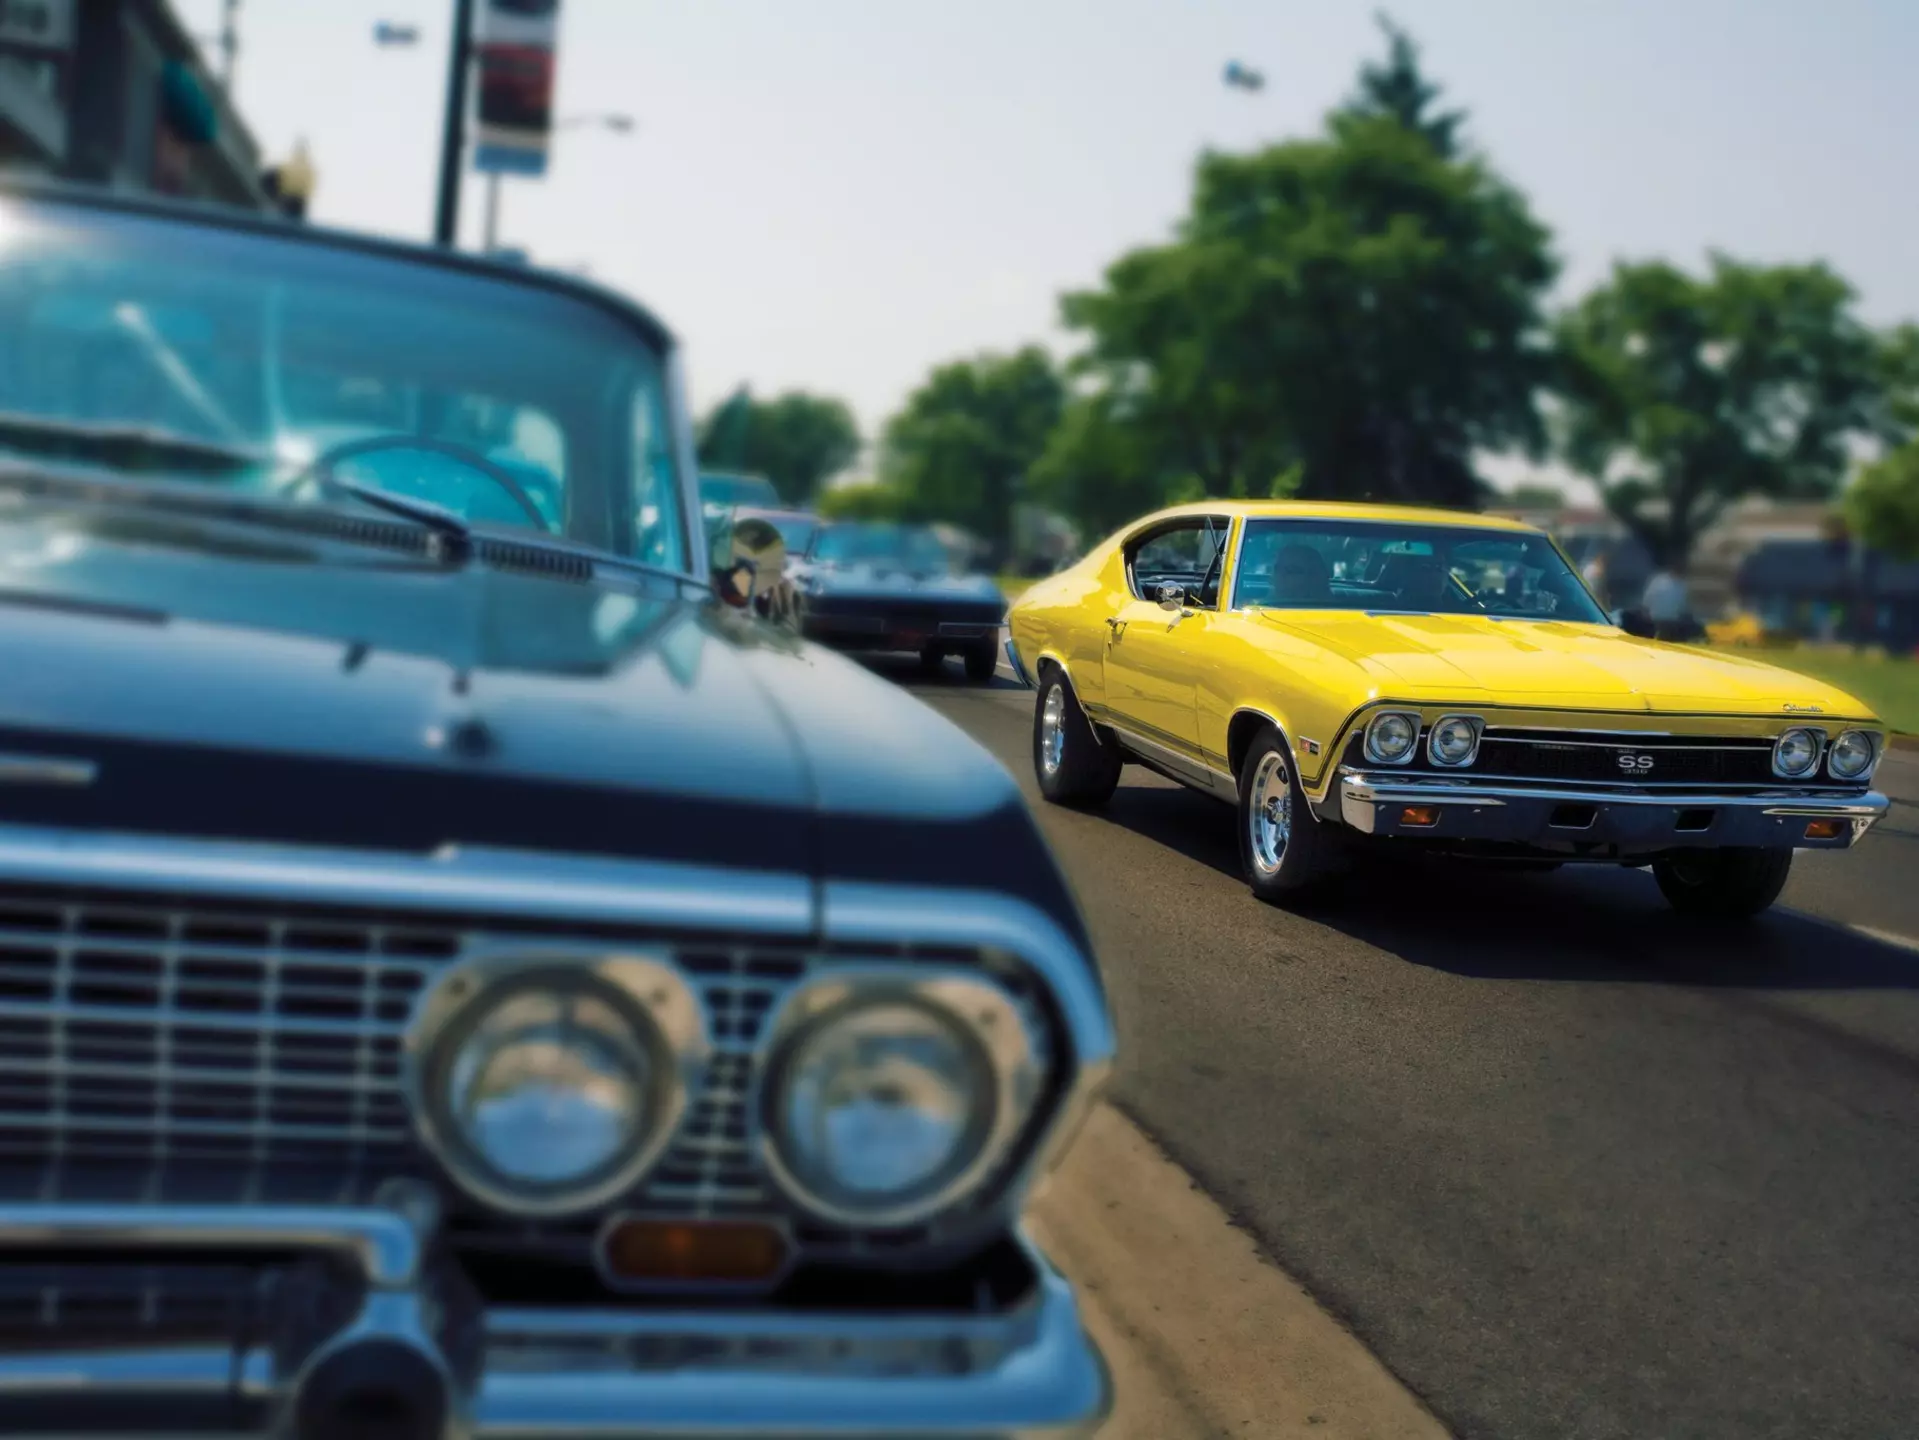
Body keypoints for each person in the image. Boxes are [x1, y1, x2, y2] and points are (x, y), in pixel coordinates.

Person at [1643, 566, 1689, 640]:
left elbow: (1684, 604)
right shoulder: (1659, 580)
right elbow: (1648, 597)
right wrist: (1646, 611)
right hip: (1656, 619)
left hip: (1672, 621)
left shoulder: (1683, 584)